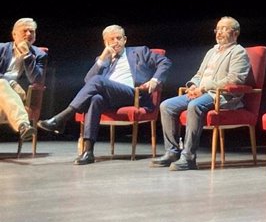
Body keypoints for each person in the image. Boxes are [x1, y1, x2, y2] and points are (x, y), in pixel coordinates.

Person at [37, 24, 171, 165]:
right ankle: (88, 152)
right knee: (95, 99)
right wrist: (103, 56)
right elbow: (88, 82)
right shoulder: (103, 60)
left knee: (98, 80)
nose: (115, 42)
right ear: (105, 43)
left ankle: (62, 118)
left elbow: (165, 62)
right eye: (111, 39)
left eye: (118, 38)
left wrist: (155, 80)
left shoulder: (139, 52)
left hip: (133, 95)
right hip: (111, 97)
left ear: (125, 39)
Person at [151, 16, 251, 171]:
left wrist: (203, 88)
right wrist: (192, 85)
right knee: (166, 106)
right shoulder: (212, 51)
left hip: (222, 95)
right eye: (217, 29)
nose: (219, 32)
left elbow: (235, 79)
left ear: (235, 33)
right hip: (201, 92)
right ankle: (172, 152)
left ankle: (189, 157)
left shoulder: (238, 52)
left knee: (194, 106)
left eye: (224, 28)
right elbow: (199, 74)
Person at [0, 18, 47, 141]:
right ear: (14, 34)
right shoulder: (1, 49)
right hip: (7, 91)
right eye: (24, 31)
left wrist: (27, 56)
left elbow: (36, 80)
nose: (28, 34)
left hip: (19, 97)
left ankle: (23, 125)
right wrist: (12, 83)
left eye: (32, 31)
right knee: (2, 83)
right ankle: (23, 125)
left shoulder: (39, 55)